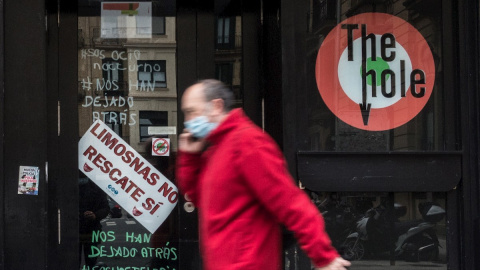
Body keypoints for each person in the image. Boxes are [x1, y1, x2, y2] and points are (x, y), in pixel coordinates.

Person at [176, 79, 351, 270]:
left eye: (192, 112)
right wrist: (189, 157)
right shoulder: (216, 150)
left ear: (216, 106)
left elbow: (290, 203)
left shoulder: (247, 143)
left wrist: (323, 257)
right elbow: (197, 197)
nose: (188, 121)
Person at [78, 171, 110, 268]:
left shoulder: (95, 187)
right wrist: (95, 215)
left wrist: (95, 215)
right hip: (90, 229)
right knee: (90, 261)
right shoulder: (96, 187)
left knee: (80, 260)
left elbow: (105, 208)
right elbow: (105, 208)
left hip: (87, 229)